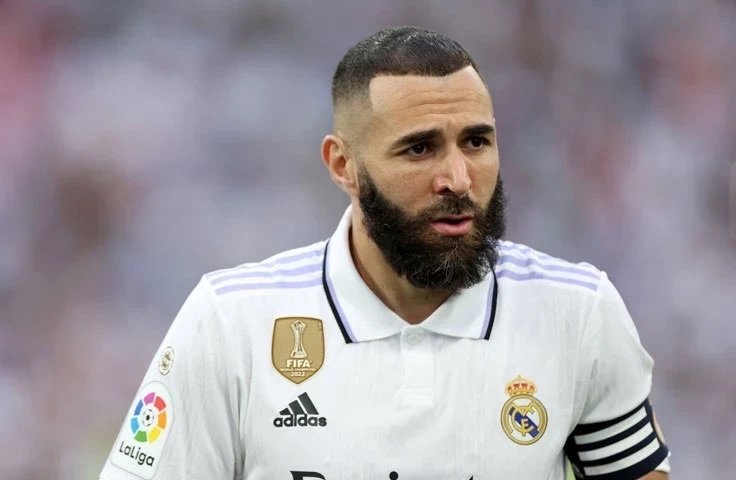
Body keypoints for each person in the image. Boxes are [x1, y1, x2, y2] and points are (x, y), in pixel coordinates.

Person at [99, 26, 670, 480]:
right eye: (419, 148)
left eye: (476, 141)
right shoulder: (230, 322)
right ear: (343, 165)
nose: (458, 178)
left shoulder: (579, 312)